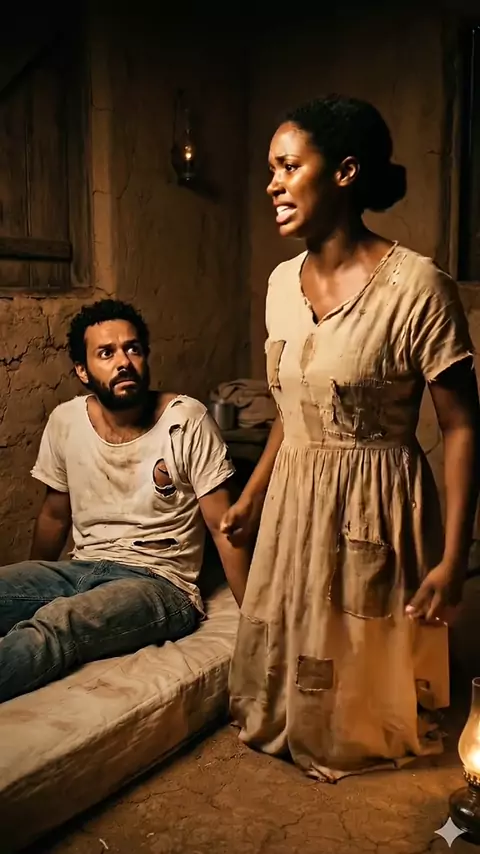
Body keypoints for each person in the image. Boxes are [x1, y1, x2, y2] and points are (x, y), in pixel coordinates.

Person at [222, 95, 480, 781]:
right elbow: (297, 405)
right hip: (295, 501)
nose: (272, 184)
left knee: (365, 705)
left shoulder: (417, 288)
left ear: (344, 172)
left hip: (376, 503)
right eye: (270, 170)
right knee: (298, 675)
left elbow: (462, 425)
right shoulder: (281, 284)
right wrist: (252, 496)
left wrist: (454, 556)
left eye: (288, 167)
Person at [0, 299, 249, 704]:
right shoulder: (66, 421)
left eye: (132, 349)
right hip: (81, 567)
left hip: (159, 582)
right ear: (82, 370)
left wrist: (254, 620)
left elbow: (225, 529)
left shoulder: (186, 420)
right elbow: (54, 515)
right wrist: (38, 576)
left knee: (59, 622)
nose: (123, 362)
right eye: (106, 353)